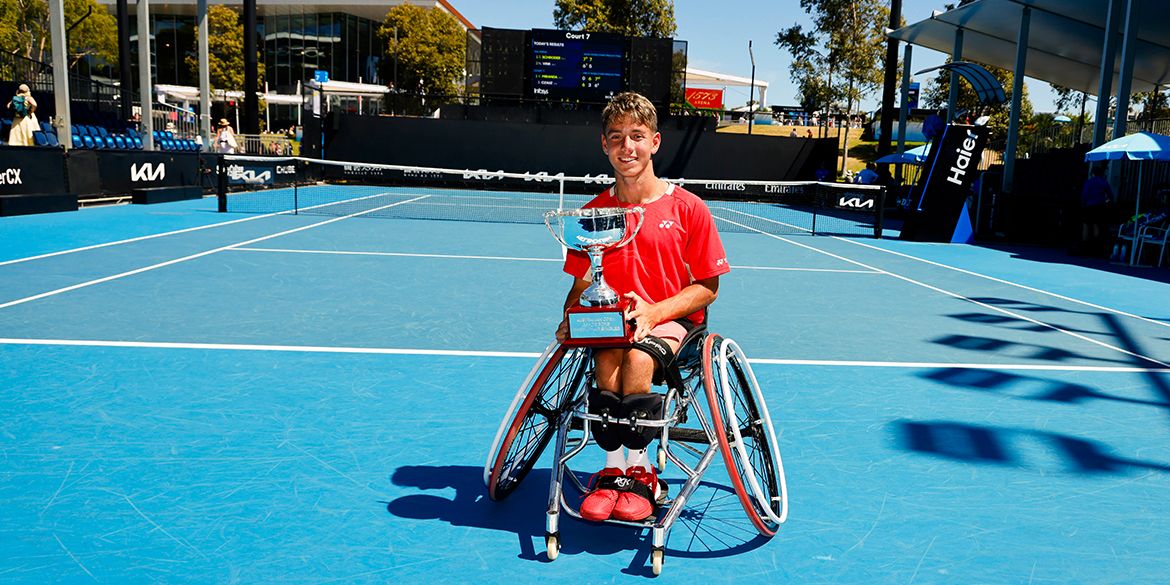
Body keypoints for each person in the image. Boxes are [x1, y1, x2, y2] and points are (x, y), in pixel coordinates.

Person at [556, 92, 730, 523]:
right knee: (609, 358)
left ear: (654, 142)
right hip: (611, 322)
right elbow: (582, 281)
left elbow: (708, 287)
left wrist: (654, 312)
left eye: (636, 136)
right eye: (616, 137)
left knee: (635, 356)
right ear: (604, 145)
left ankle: (640, 471)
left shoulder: (688, 208)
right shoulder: (593, 211)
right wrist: (568, 319)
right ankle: (613, 471)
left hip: (671, 321)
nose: (626, 146)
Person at [1080, 165, 1113, 255]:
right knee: (1096, 225)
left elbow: (1085, 194)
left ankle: (1084, 245)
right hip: (1100, 206)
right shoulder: (1104, 182)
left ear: (1092, 173)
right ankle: (1096, 244)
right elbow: (1110, 194)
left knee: (1086, 225)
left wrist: (1083, 204)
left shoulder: (1089, 182)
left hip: (1089, 206)